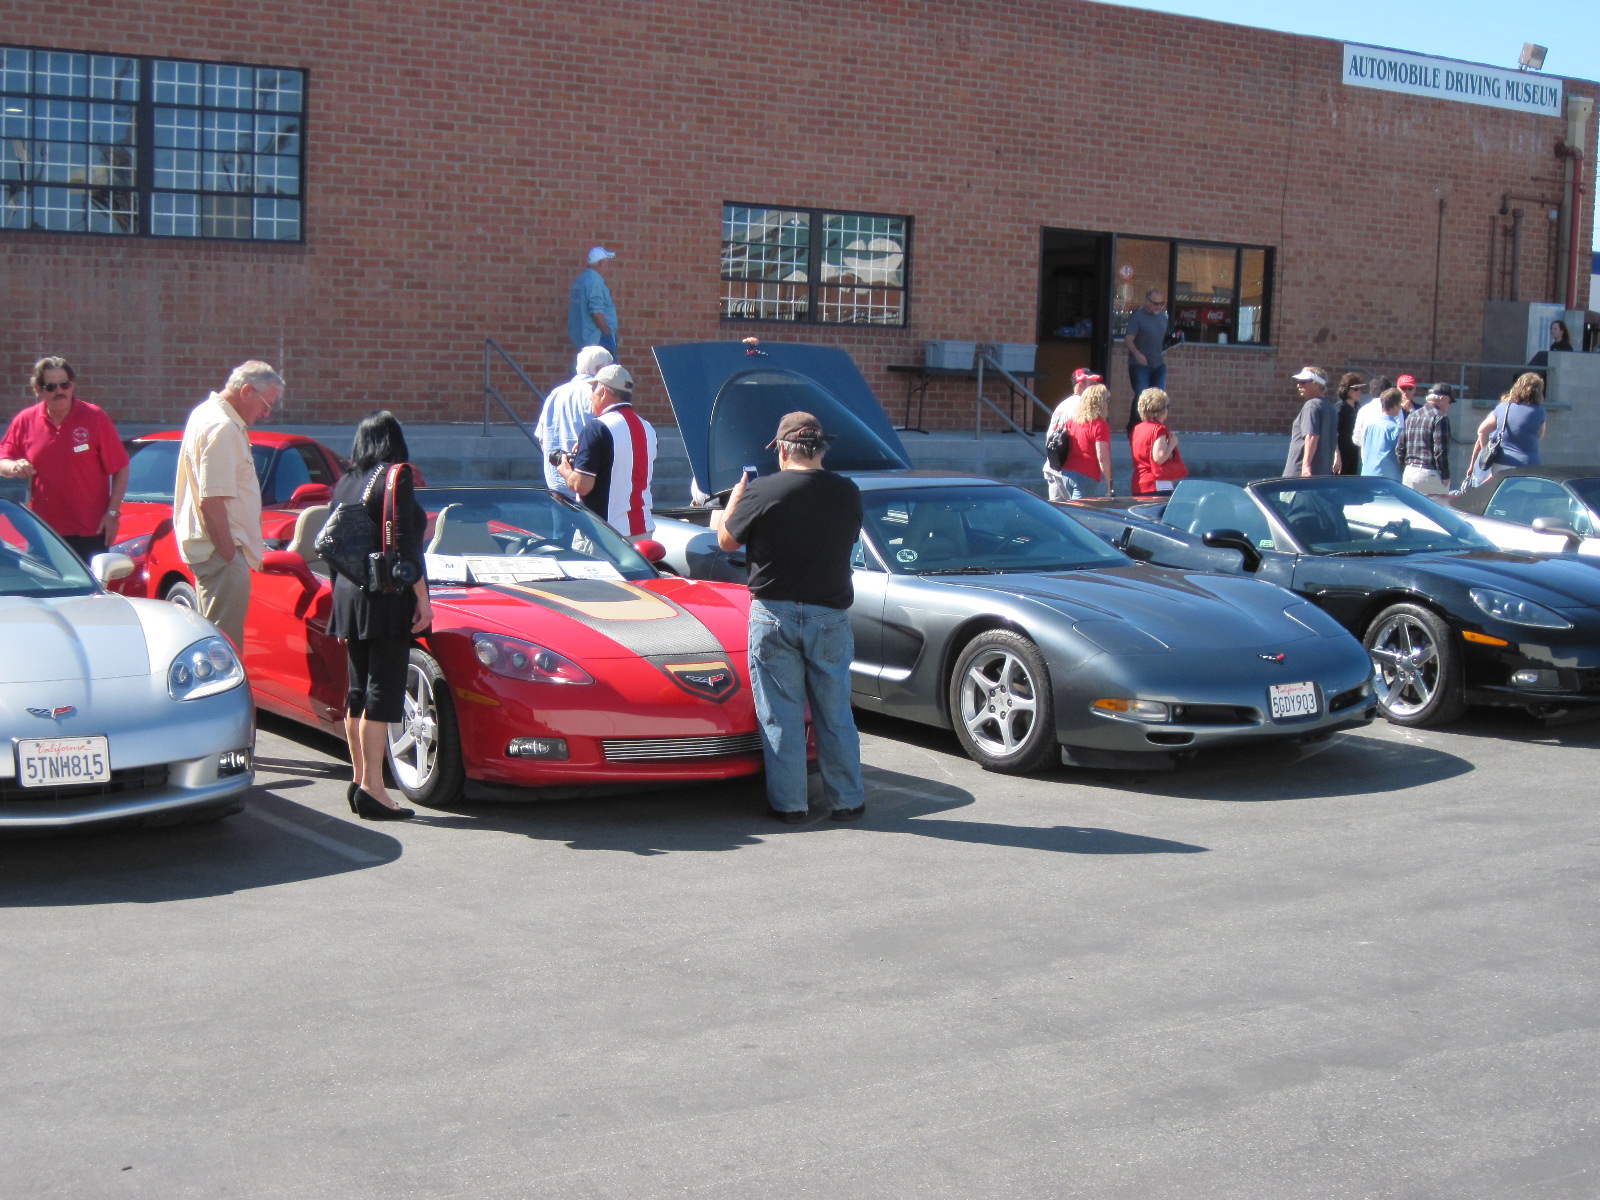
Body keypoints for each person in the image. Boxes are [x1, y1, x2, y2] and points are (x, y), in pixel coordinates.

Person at [715, 412, 865, 824]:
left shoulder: (762, 491)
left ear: (782, 449)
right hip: (830, 614)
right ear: (821, 448)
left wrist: (737, 497)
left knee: (779, 713)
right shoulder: (847, 492)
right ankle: (848, 798)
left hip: (774, 613)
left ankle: (791, 804)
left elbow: (726, 538)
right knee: (835, 713)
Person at [327, 412, 430, 822]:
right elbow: (406, 547)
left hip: (348, 594)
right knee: (381, 692)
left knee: (357, 692)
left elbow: (333, 540)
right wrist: (422, 597)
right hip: (385, 597)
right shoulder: (396, 476)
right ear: (394, 441)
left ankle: (360, 780)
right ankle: (374, 788)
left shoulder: (346, 481)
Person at [172, 361, 281, 648]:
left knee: (216, 643)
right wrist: (231, 556)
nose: (267, 414)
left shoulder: (208, 414)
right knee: (223, 650)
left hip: (216, 551)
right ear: (246, 391)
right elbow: (211, 501)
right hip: (222, 553)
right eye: (266, 404)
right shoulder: (222, 426)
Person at [0, 356, 129, 560]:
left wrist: (113, 514)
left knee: (90, 591)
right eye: (50, 387)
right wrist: (14, 466)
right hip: (45, 533)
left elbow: (121, 467)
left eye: (64, 384)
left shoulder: (94, 417)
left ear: (73, 385)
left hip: (90, 531)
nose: (59, 391)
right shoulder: (26, 420)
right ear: (38, 389)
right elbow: (2, 461)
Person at [554, 363, 656, 535]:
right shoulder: (648, 428)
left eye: (593, 390)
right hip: (643, 528)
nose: (590, 397)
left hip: (605, 533)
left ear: (603, 392)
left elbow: (582, 485)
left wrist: (566, 471)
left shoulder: (597, 428)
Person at [536, 345, 612, 497]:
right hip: (588, 482)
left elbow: (542, 438)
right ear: (598, 368)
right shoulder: (598, 394)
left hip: (557, 482)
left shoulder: (555, 394)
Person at [1470, 371, 1547, 481]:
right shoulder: (1540, 411)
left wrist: (1486, 450)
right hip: (1530, 465)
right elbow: (1540, 434)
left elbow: (1482, 431)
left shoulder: (1503, 407)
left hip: (1503, 463)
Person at [1123, 290, 1178, 434]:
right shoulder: (1138, 318)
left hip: (1158, 363)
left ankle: (1155, 428)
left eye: (1161, 304)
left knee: (1160, 397)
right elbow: (1128, 340)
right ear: (1147, 302)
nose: (1158, 307)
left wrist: (1173, 343)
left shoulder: (1163, 318)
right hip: (1140, 365)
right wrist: (1137, 354)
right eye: (1155, 304)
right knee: (1142, 396)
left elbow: (1166, 338)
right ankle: (1135, 427)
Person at [1043, 367, 1101, 501]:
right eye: (1092, 384)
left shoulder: (1063, 404)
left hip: (1054, 467)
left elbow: (1048, 438)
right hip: (1070, 470)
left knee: (1058, 518)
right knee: (1077, 517)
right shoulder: (1081, 406)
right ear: (1081, 385)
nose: (1096, 387)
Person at [1057, 383, 1114, 498]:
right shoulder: (1100, 425)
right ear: (1100, 403)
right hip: (1086, 474)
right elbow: (1102, 457)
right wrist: (1109, 483)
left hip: (1067, 472)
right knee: (1081, 513)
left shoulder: (1072, 421)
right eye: (1107, 400)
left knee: (1072, 511)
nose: (1108, 404)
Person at [1283, 367, 1341, 477]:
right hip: (1321, 476)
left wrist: (1306, 466)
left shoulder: (1312, 405)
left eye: (1303, 382)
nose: (1298, 385)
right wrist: (1337, 456)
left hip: (1300, 477)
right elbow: (1333, 436)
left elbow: (1312, 435)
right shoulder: (1330, 407)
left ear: (1316, 384)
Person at [1129, 388, 1187, 496]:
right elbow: (1159, 458)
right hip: (1156, 484)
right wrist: (1172, 444)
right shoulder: (1159, 429)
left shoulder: (1137, 428)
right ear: (1163, 410)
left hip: (1138, 482)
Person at [1399, 383, 1454, 494]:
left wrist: (1407, 466)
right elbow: (1440, 450)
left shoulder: (1411, 416)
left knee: (1411, 510)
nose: (1449, 405)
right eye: (1449, 401)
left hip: (1410, 472)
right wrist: (1445, 475)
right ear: (1442, 399)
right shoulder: (1440, 418)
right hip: (1430, 473)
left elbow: (1400, 448)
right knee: (1438, 510)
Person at [567, 246, 619, 356]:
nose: (607, 267)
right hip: (599, 340)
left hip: (583, 340)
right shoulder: (595, 281)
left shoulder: (580, 281)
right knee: (608, 373)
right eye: (606, 263)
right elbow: (596, 312)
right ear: (600, 263)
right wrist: (607, 334)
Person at [1359, 389, 1405, 481]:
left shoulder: (1370, 426)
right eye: (1400, 404)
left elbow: (1364, 447)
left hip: (1367, 473)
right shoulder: (1396, 429)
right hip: (1387, 479)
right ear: (1395, 405)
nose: (1401, 407)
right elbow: (1401, 455)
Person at [1334, 373, 1366, 475]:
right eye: (1355, 389)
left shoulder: (1357, 407)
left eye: (1360, 389)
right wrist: (1337, 456)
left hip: (1353, 453)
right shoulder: (1340, 408)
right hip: (1342, 454)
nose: (1359, 392)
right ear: (1347, 389)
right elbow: (1333, 433)